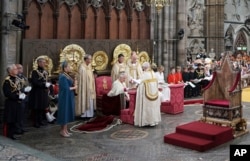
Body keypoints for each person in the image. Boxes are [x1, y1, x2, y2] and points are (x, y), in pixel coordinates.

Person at [2, 64, 26, 140]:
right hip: (11, 103)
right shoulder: (7, 80)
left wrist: (23, 93)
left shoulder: (17, 79)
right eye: (15, 69)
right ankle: (9, 135)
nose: (17, 70)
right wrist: (17, 96)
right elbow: (7, 93)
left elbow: (20, 88)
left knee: (16, 118)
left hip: (18, 102)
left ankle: (13, 134)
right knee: (11, 119)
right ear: (10, 71)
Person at [134, 62, 161, 127]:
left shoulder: (145, 74)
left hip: (146, 97)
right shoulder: (153, 73)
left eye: (143, 68)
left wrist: (137, 84)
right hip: (154, 95)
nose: (143, 70)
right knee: (153, 107)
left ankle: (146, 122)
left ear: (144, 68)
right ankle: (154, 121)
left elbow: (141, 84)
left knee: (147, 108)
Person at [57, 61, 77, 137]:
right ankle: (62, 130)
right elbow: (66, 88)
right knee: (64, 113)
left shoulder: (66, 75)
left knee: (67, 112)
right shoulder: (62, 76)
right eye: (68, 67)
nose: (70, 68)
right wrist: (74, 87)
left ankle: (65, 129)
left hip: (69, 96)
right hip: (65, 97)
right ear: (65, 68)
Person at [29, 58, 51, 128]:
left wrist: (48, 84)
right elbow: (35, 82)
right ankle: (36, 122)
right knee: (37, 108)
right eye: (43, 62)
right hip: (37, 92)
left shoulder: (45, 71)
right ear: (39, 63)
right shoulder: (34, 72)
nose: (44, 64)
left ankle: (40, 120)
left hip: (44, 92)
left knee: (42, 107)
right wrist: (43, 85)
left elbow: (47, 79)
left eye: (45, 62)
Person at [76, 54, 96, 120]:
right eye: (90, 59)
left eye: (91, 59)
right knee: (84, 98)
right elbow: (81, 78)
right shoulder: (82, 67)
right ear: (86, 59)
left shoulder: (89, 66)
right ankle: (84, 115)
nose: (90, 60)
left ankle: (90, 114)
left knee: (90, 99)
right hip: (84, 87)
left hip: (90, 86)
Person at [15, 64, 31, 134]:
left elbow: (27, 84)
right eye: (19, 68)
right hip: (19, 98)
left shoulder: (24, 77)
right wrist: (24, 89)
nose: (21, 69)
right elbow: (16, 88)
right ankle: (18, 128)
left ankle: (22, 127)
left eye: (21, 68)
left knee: (24, 113)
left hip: (25, 97)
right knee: (19, 114)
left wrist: (29, 88)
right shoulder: (15, 78)